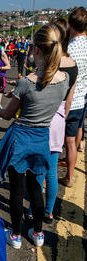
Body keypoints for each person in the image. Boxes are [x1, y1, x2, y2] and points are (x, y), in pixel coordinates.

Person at [0, 24, 69, 249]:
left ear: (36, 49)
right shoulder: (64, 79)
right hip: (41, 139)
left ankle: (16, 235)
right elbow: (44, 96)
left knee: (17, 190)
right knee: (36, 188)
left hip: (21, 139)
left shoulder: (27, 82)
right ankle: (38, 233)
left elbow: (7, 114)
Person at [27, 18, 78, 223]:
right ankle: (48, 211)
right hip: (59, 120)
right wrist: (63, 120)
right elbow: (69, 100)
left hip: (42, 121)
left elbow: (36, 94)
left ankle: (33, 211)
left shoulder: (50, 64)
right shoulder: (72, 65)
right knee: (52, 170)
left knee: (37, 171)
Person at [60, 6, 87, 188]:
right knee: (76, 135)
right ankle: (71, 171)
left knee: (67, 142)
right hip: (83, 98)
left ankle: (68, 177)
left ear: (71, 25)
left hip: (69, 99)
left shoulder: (69, 47)